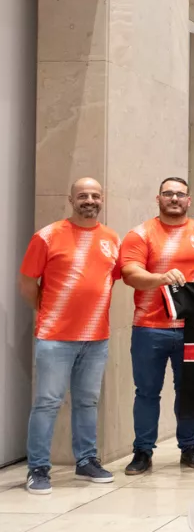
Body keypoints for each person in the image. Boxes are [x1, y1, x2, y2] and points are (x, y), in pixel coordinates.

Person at [20, 178, 122, 494]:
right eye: (82, 196)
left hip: (96, 338)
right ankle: (37, 469)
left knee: (87, 401)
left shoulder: (111, 238)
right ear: (71, 200)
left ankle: (86, 461)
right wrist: (50, 315)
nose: (89, 200)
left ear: (102, 199)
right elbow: (27, 283)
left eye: (94, 195)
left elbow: (109, 279)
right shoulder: (48, 236)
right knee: (48, 402)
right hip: (55, 338)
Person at [119, 177, 194, 475]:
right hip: (149, 327)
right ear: (158, 198)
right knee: (146, 392)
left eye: (180, 194)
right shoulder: (140, 234)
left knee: (189, 390)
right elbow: (130, 273)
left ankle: (189, 446)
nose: (174, 198)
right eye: (168, 194)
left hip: (193, 328)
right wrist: (160, 277)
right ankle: (142, 451)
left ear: (189, 200)